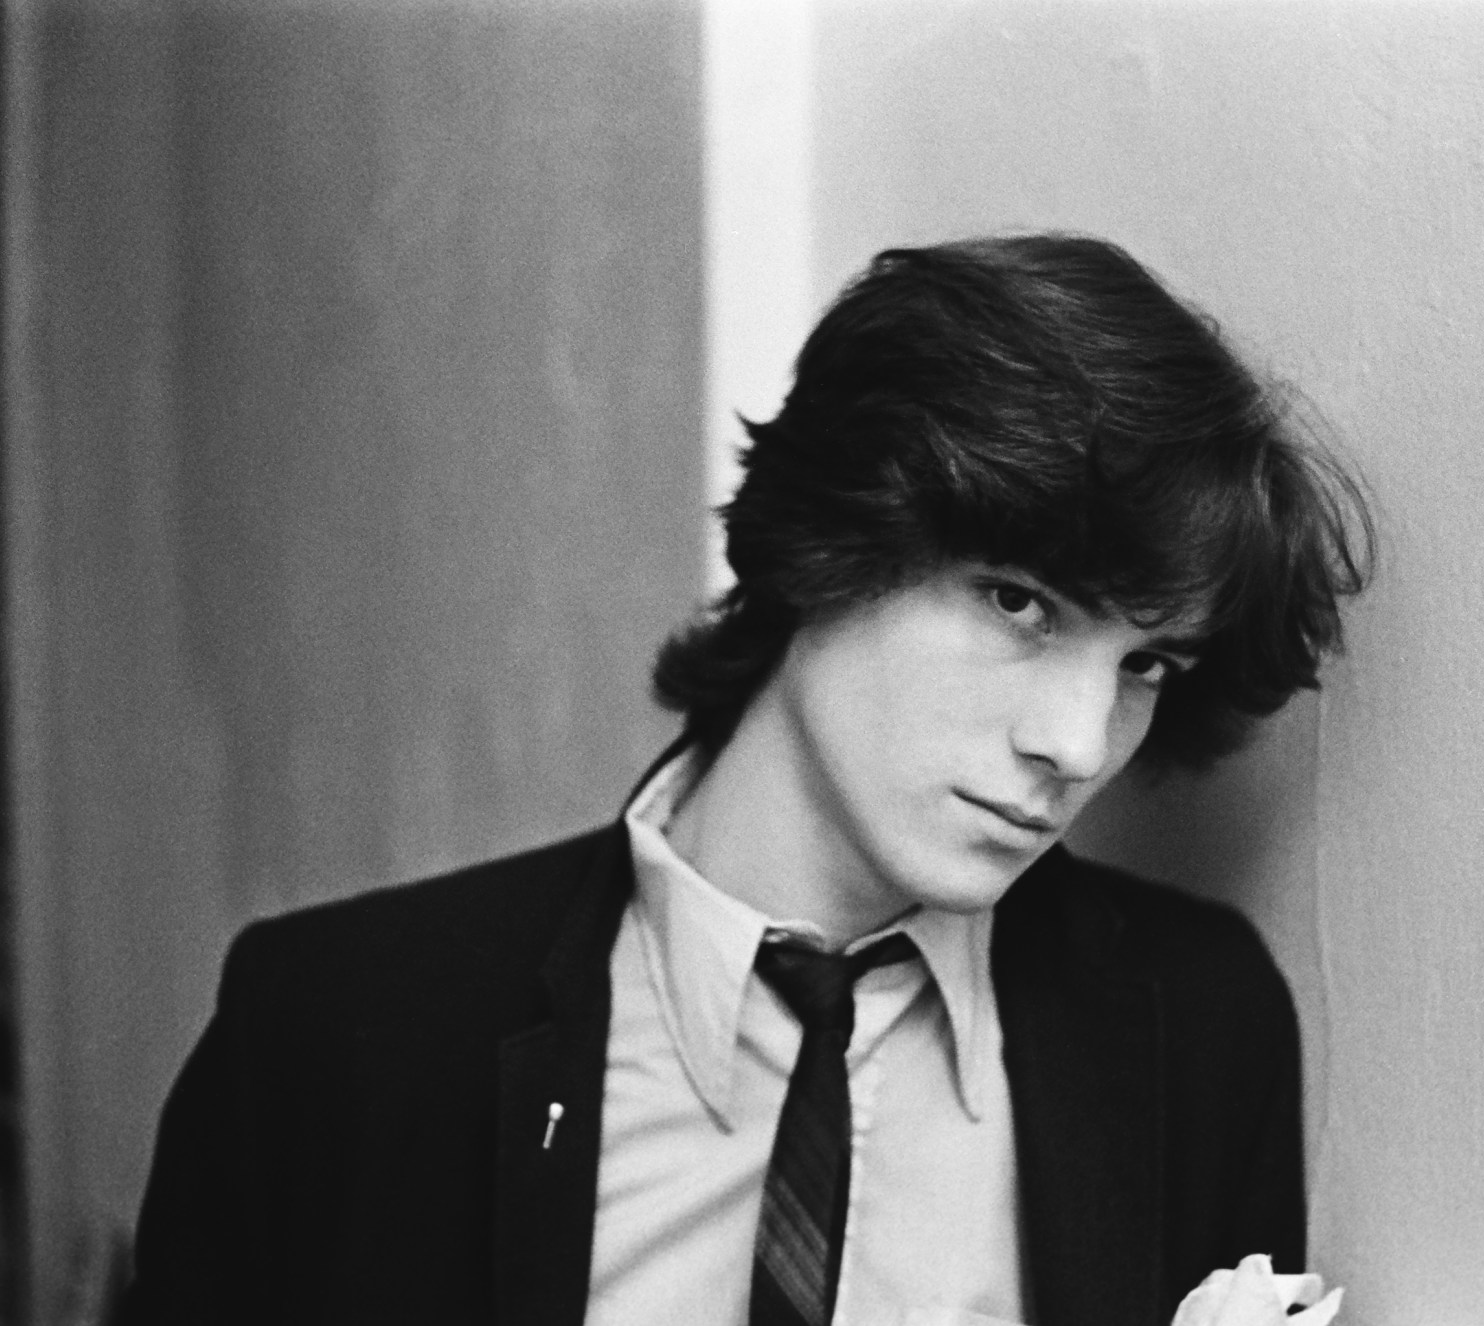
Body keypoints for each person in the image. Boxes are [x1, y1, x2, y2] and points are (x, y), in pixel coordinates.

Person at [118, 234, 1371, 1326]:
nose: (1080, 742)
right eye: (1017, 602)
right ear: (831, 541)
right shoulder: (338, 1030)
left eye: (1146, 663)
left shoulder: (1196, 1027)